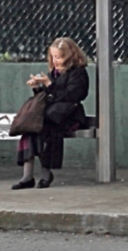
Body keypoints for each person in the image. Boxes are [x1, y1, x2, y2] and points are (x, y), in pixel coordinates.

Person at [12, 37, 89, 190]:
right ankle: (27, 176)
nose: (55, 60)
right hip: (52, 112)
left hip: (69, 114)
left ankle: (46, 173)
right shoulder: (54, 73)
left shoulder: (78, 73)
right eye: (53, 56)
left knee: (44, 127)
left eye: (58, 57)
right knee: (31, 127)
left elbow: (72, 96)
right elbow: (49, 96)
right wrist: (37, 87)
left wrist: (49, 85)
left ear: (68, 56)